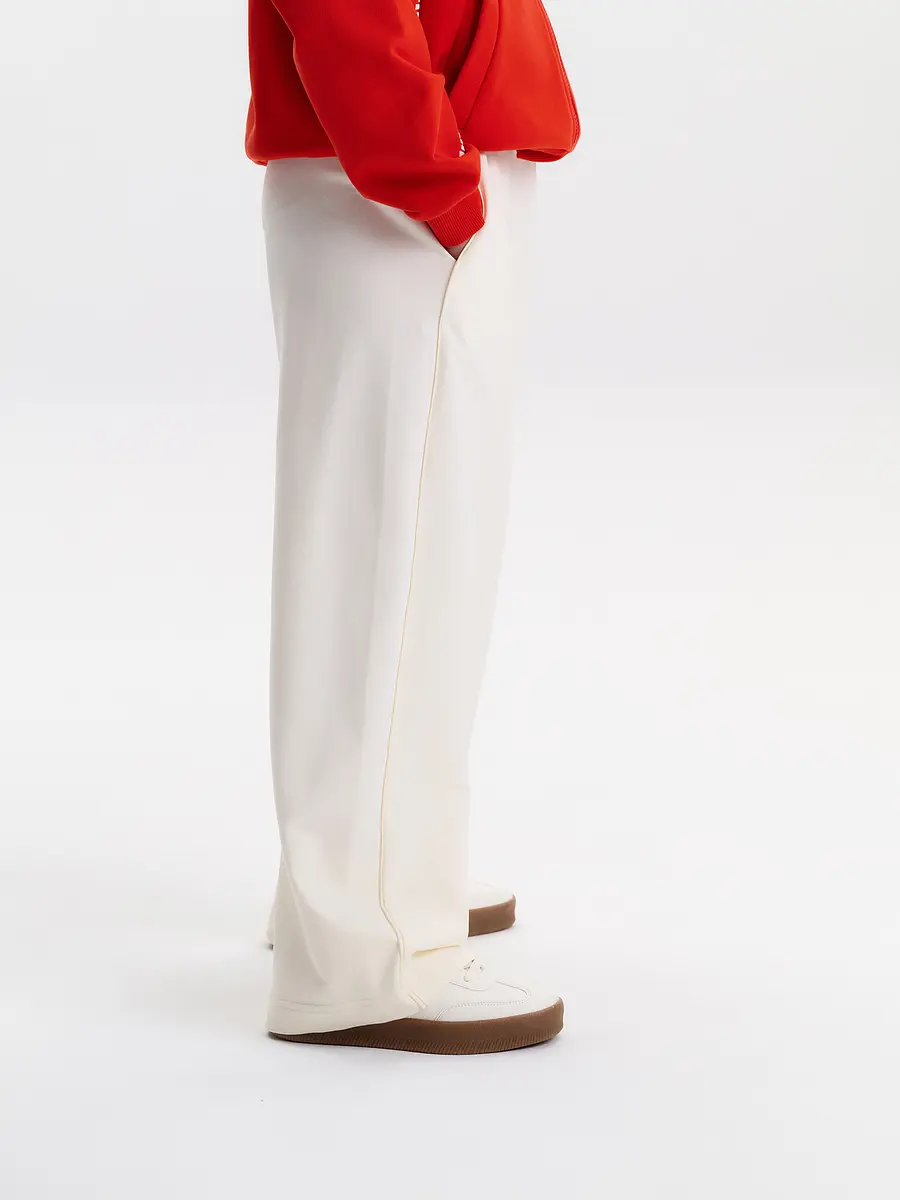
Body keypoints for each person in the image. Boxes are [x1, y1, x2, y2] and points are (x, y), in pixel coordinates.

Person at [244, 0, 580, 1054]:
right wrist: (434, 179)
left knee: (406, 558)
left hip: (404, 172)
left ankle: (367, 884)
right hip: (395, 184)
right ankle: (368, 953)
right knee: (392, 567)